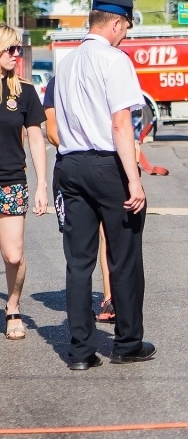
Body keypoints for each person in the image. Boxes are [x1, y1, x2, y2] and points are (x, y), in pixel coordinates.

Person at [54, 0, 154, 370]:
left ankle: (80, 353)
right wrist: (134, 180)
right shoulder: (115, 61)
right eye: (126, 27)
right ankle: (128, 344)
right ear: (115, 23)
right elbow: (120, 124)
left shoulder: (66, 64)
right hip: (108, 166)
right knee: (123, 257)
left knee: (78, 262)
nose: (126, 35)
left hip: (71, 164)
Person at [43, 77, 115, 324]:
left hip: (102, 167)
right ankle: (82, 311)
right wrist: (79, 152)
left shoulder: (102, 79)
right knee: (78, 244)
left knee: (109, 235)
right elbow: (51, 131)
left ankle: (109, 298)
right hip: (69, 168)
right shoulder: (58, 83)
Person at [0, 23, 48, 340]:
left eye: (19, 49)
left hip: (11, 181)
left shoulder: (25, 92)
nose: (17, 55)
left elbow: (35, 140)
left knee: (13, 255)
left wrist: (42, 183)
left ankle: (13, 306)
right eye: (11, 49)